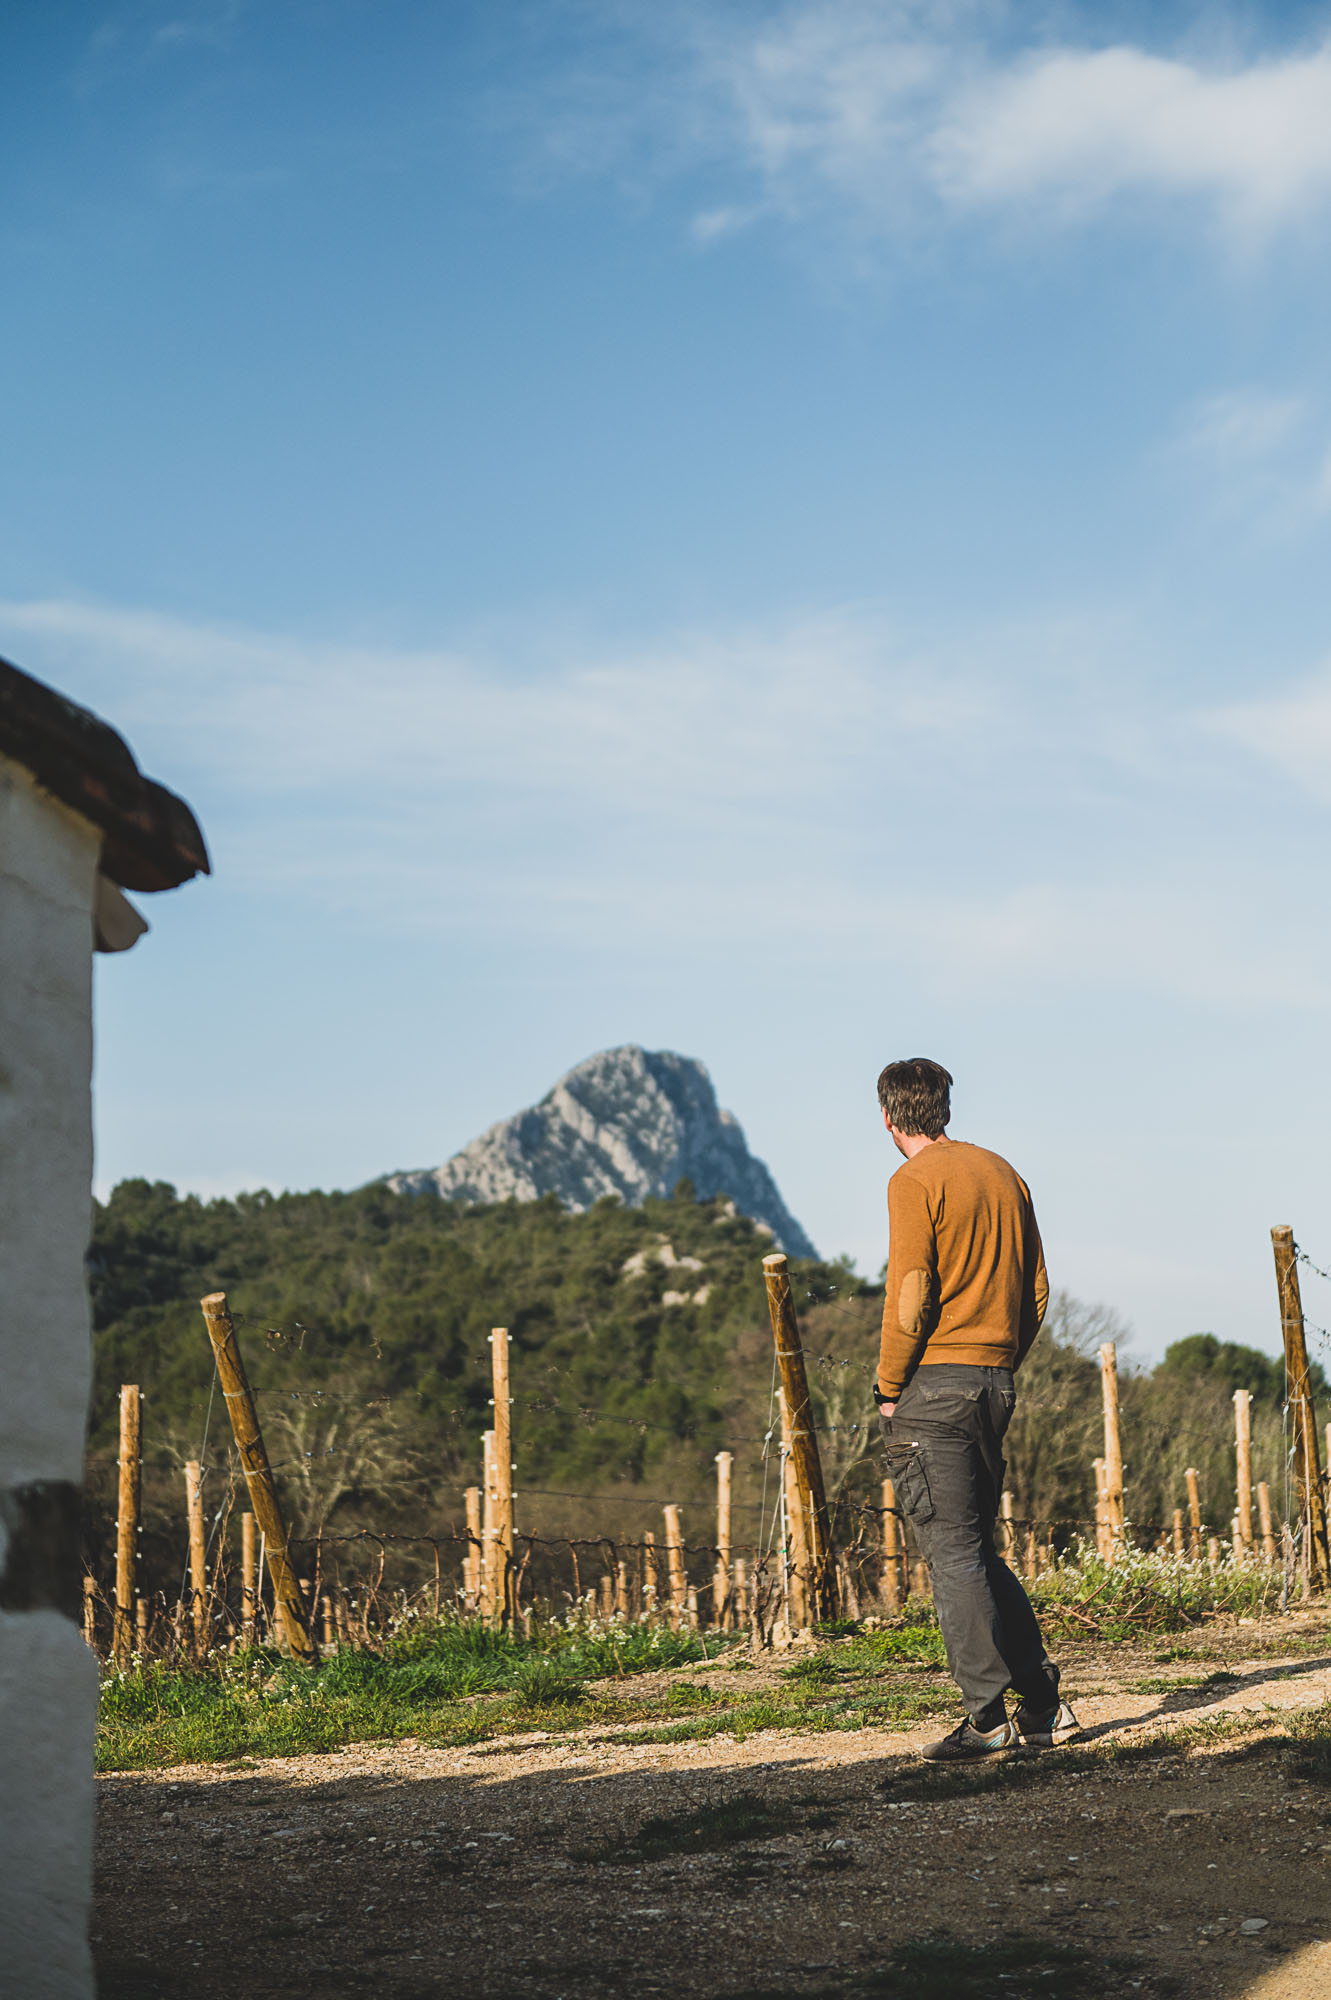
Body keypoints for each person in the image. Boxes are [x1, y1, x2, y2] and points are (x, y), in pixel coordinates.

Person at [874, 1057, 1079, 1760]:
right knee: (976, 1551)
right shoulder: (1002, 1172)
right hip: (995, 1378)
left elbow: (910, 1290)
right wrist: (1001, 1360)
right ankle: (1045, 1706)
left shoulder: (912, 1180)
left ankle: (986, 1719)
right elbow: (1040, 1289)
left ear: (887, 1116)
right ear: (944, 1109)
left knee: (952, 1555)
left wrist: (889, 1386)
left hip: (934, 1385)